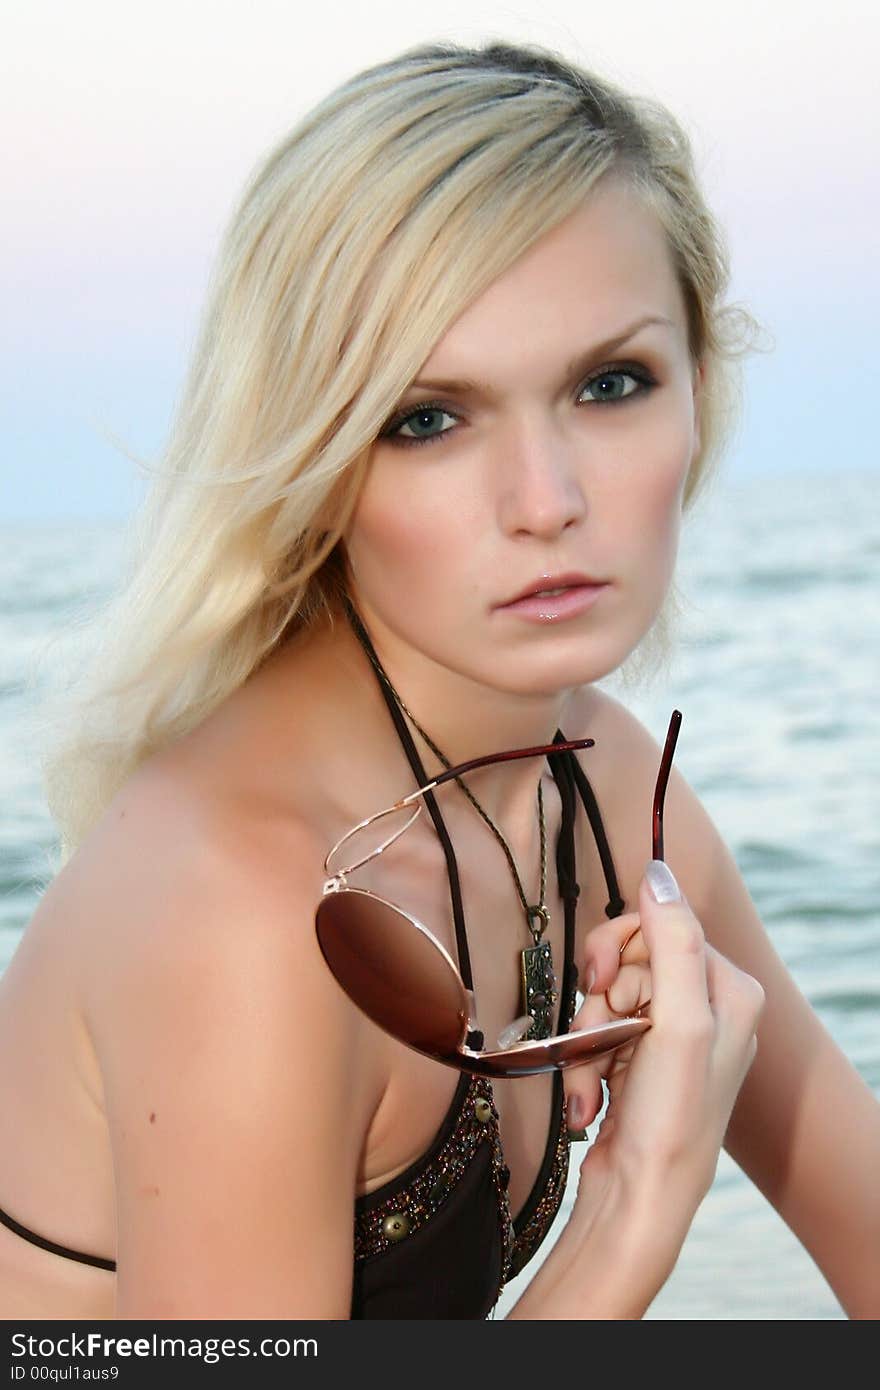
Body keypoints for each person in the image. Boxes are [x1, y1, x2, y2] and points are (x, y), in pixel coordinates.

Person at [1, 39, 877, 1321]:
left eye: (609, 383)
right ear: (316, 451)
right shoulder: (248, 911)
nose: (547, 502)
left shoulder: (604, 780)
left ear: (701, 388)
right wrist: (634, 1203)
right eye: (428, 417)